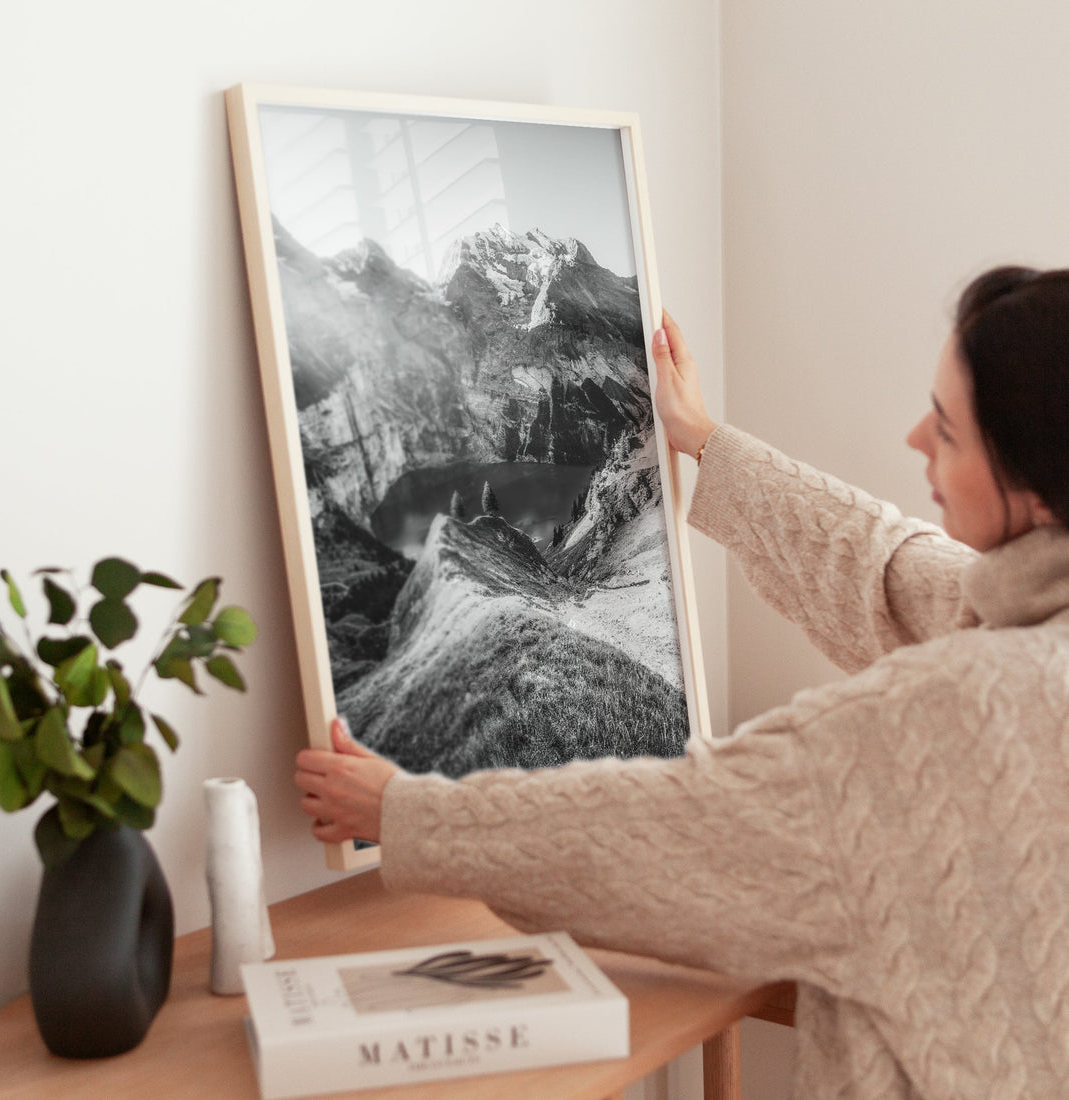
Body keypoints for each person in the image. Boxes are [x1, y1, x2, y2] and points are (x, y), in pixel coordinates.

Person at [294, 266, 1069, 1099]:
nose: (916, 438)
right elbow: (888, 570)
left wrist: (405, 813)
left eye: (948, 430)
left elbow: (671, 828)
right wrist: (703, 440)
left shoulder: (944, 719)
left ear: (1036, 488)